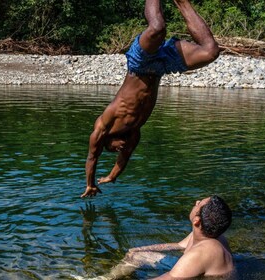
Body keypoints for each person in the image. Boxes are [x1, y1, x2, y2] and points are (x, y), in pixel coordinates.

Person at [82, 0, 219, 198]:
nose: (119, 148)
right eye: (117, 150)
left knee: (157, 28)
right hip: (160, 68)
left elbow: (92, 157)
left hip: (139, 64)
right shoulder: (134, 132)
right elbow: (124, 159)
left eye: (113, 149)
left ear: (107, 142)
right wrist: (112, 176)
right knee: (211, 51)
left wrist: (90, 184)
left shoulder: (104, 125)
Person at [101, 195, 233, 279]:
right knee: (135, 256)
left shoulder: (202, 253)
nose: (197, 201)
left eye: (199, 204)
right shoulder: (206, 234)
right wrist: (138, 249)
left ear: (197, 221)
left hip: (187, 274)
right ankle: (106, 278)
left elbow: (170, 278)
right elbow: (179, 245)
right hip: (188, 270)